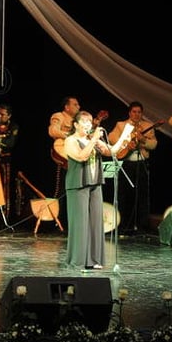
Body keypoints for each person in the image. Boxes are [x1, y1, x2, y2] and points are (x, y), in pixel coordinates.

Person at [64, 110, 125, 271]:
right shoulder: (70, 140)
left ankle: (93, 259)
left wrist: (125, 138)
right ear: (76, 125)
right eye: (84, 122)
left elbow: (111, 152)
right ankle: (78, 261)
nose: (88, 125)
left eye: (89, 122)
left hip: (95, 184)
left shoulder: (93, 139)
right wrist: (94, 140)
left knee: (95, 223)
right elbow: (81, 156)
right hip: (78, 185)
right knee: (80, 224)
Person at [107, 101, 160, 235]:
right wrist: (126, 142)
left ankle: (142, 226)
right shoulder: (121, 125)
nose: (137, 114)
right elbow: (111, 138)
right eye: (134, 112)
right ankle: (122, 225)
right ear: (129, 113)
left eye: (139, 112)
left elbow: (153, 145)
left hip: (141, 162)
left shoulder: (148, 126)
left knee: (142, 196)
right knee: (124, 195)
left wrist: (142, 140)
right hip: (126, 162)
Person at [48, 96, 80, 197]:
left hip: (74, 157)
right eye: (75, 104)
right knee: (60, 190)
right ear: (67, 107)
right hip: (61, 156)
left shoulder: (78, 121)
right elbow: (53, 131)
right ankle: (57, 212)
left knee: (73, 190)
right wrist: (70, 136)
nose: (78, 107)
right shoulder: (59, 116)